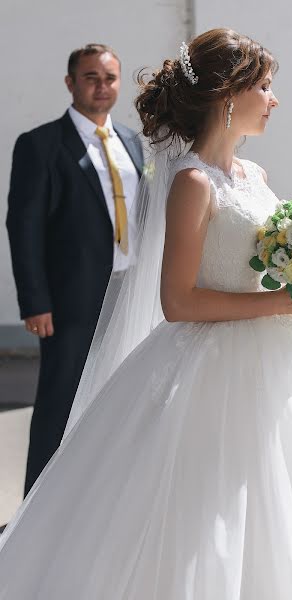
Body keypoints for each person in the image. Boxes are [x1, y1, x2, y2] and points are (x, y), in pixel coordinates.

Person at [1, 28, 292, 599]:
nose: (274, 98)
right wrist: (282, 301)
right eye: (264, 85)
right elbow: (178, 301)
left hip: (287, 353)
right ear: (228, 94)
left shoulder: (253, 177)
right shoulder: (192, 182)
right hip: (215, 360)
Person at [6, 43, 144, 495]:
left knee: (120, 400)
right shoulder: (40, 145)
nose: (101, 87)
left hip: (130, 292)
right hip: (71, 299)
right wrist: (35, 300)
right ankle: (35, 508)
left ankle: (97, 499)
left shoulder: (132, 143)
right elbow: (22, 226)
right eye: (91, 77)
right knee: (58, 403)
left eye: (109, 78)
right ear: (71, 83)